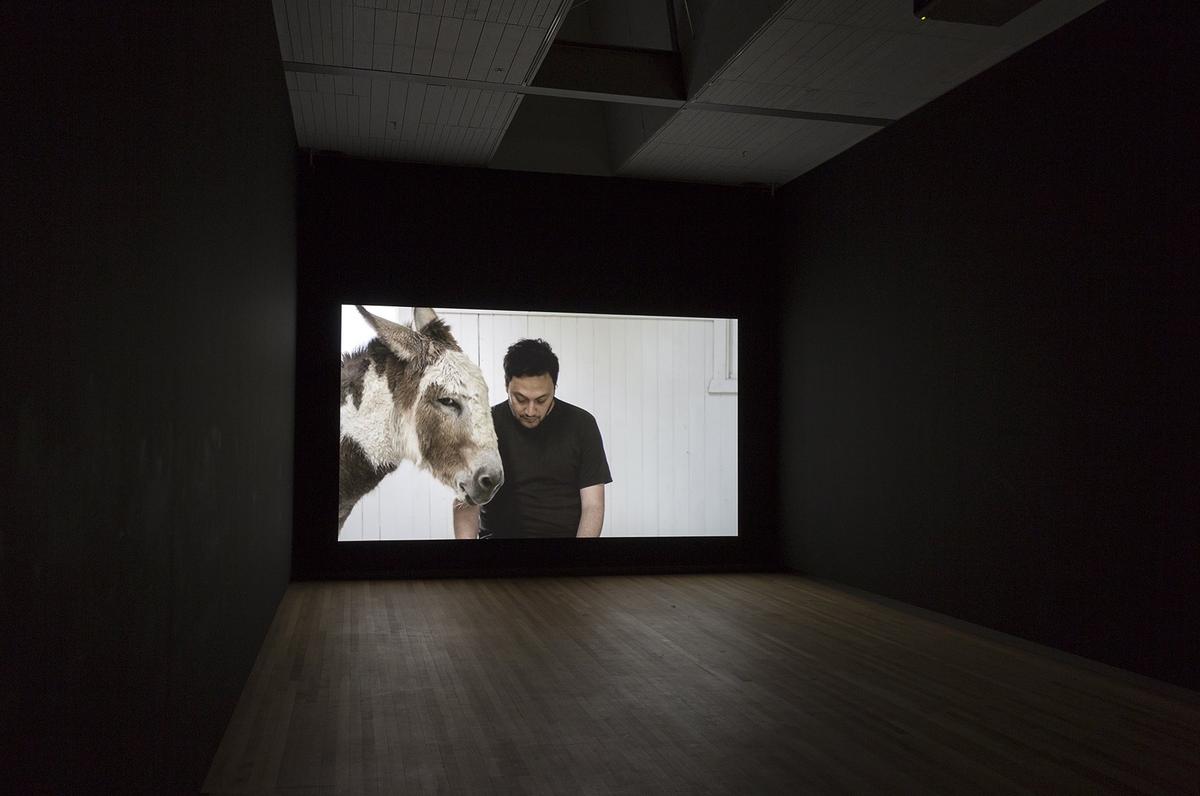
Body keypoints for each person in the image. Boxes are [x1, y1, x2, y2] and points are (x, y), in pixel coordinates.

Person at [453, 338, 611, 538]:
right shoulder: (482, 425)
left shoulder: (582, 424)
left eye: (541, 400)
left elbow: (593, 506)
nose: (530, 410)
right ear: (506, 385)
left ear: (554, 387)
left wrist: (577, 562)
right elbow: (466, 503)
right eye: (520, 399)